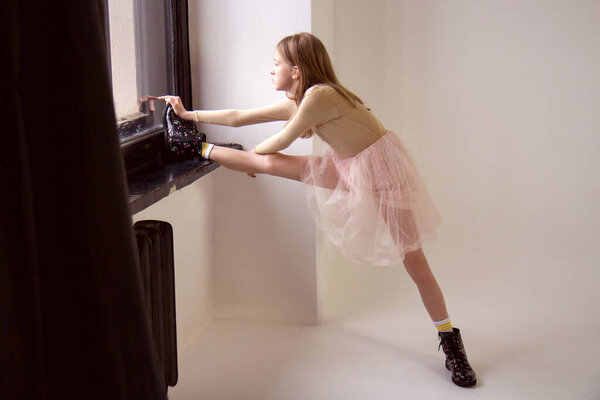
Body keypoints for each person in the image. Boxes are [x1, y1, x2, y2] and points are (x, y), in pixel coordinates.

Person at [159, 32, 477, 387]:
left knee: (414, 261)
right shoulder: (302, 98)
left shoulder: (320, 95)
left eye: (276, 63)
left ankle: (451, 341)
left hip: (386, 174)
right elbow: (240, 116)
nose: (271, 70)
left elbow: (282, 139)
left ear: (296, 70)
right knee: (266, 162)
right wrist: (189, 112)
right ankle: (193, 147)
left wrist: (256, 158)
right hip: (349, 167)